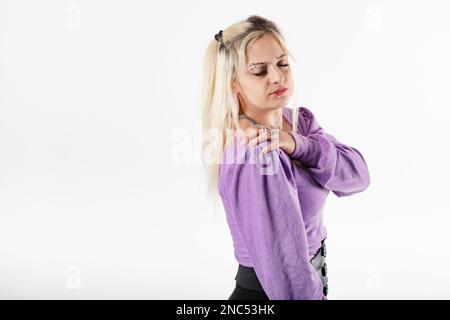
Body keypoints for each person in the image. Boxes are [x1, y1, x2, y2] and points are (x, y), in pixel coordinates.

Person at [201, 15, 371, 300]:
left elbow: (357, 177)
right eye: (259, 71)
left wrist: (298, 145)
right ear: (234, 85)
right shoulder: (257, 153)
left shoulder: (298, 124)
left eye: (282, 64)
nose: (277, 77)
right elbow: (287, 278)